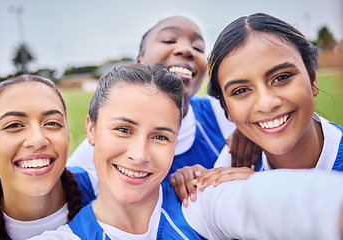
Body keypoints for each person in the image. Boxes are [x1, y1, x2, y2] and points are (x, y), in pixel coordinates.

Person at [31, 63, 343, 240]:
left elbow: (290, 205)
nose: (139, 154)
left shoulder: (201, 204)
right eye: (124, 130)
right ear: (90, 128)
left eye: (160, 136)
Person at [67, 16, 261, 196]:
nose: (186, 50)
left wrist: (251, 131)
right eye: (169, 40)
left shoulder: (223, 114)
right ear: (140, 60)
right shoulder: (99, 147)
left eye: (199, 48)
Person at [171, 12, 343, 200]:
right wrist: (192, 182)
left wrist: (265, 187)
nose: (266, 104)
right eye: (241, 91)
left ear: (312, 80)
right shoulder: (232, 164)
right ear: (227, 110)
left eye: (281, 78)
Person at [0, 75, 96, 240]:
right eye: (14, 125)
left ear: (67, 139)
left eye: (52, 123)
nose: (37, 140)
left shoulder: (101, 190)